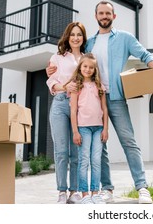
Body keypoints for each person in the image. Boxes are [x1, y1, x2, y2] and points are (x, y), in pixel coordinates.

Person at [47, 1, 153, 204]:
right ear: (96, 16)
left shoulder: (125, 38)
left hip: (116, 97)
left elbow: (146, 55)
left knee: (129, 141)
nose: (104, 16)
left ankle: (142, 187)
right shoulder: (89, 44)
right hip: (91, 99)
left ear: (114, 16)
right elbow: (73, 66)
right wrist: (51, 72)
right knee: (100, 147)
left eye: (108, 13)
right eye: (101, 13)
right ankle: (107, 188)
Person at [46, 22, 87, 204]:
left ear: (83, 38)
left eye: (79, 35)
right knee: (61, 151)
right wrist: (65, 86)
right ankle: (62, 192)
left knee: (77, 152)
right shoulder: (57, 57)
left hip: (80, 106)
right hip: (61, 103)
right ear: (67, 37)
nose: (76, 38)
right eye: (73, 34)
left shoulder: (87, 59)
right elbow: (51, 81)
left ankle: (75, 192)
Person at [68, 53, 109, 204]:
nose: (88, 69)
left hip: (98, 128)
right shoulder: (76, 86)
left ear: (95, 69)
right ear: (80, 67)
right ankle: (84, 194)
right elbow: (73, 111)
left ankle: (95, 193)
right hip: (83, 128)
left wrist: (106, 129)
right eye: (85, 66)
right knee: (84, 160)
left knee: (96, 160)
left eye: (91, 67)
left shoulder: (99, 86)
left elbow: (104, 108)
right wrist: (75, 132)